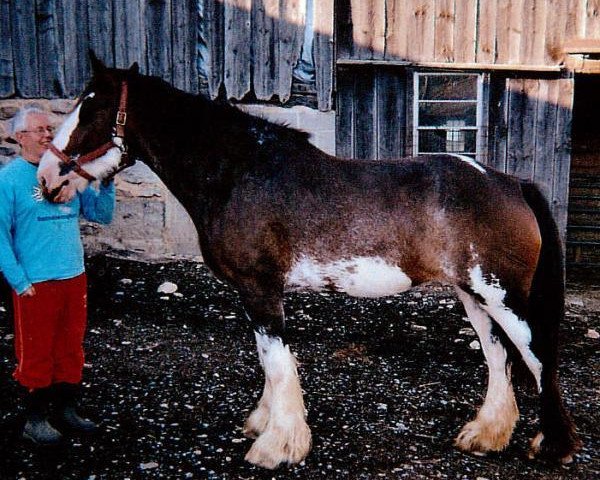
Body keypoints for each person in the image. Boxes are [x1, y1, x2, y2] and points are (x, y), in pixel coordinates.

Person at [0, 105, 115, 445]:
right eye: (39, 130)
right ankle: (34, 419)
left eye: (49, 129)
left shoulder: (66, 171)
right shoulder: (9, 179)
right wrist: (19, 281)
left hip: (73, 277)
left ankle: (67, 409)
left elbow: (101, 216)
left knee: (70, 348)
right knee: (37, 351)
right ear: (20, 137)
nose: (48, 135)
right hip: (36, 282)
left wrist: (105, 184)